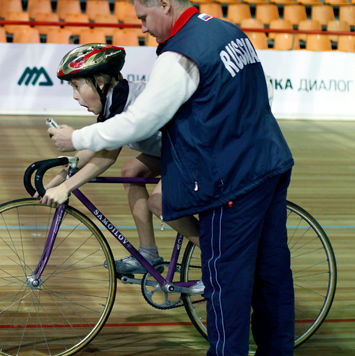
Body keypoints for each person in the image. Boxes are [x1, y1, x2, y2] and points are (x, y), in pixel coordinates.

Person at [48, 1, 295, 355]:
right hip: (268, 160)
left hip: (230, 179)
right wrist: (64, 170)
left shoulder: (181, 53)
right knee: (271, 279)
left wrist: (76, 139)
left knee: (226, 289)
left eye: (144, 18)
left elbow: (139, 124)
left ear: (164, 4)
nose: (144, 28)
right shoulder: (227, 30)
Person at [38, 43, 199, 275]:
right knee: (131, 172)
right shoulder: (113, 101)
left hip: (194, 152)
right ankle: (148, 255)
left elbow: (106, 157)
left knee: (158, 202)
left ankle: (220, 260)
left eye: (76, 86)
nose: (74, 96)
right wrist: (53, 181)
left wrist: (66, 187)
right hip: (173, 150)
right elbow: (95, 147)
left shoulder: (125, 102)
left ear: (100, 83)